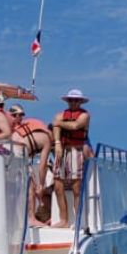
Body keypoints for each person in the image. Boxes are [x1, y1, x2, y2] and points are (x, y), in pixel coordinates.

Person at [8, 105, 54, 226]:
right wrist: (41, 185)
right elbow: (42, 165)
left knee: (24, 183)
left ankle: (14, 218)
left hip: (9, 149)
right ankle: (32, 219)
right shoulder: (47, 139)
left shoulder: (31, 125)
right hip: (19, 151)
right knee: (30, 187)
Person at [51, 89, 91, 227]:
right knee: (57, 185)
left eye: (76, 100)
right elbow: (56, 127)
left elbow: (75, 126)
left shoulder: (85, 115)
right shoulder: (60, 115)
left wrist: (58, 123)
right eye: (71, 100)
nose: (73, 102)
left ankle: (78, 220)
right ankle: (64, 220)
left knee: (76, 188)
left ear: (80, 102)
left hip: (76, 150)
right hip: (62, 150)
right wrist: (57, 143)